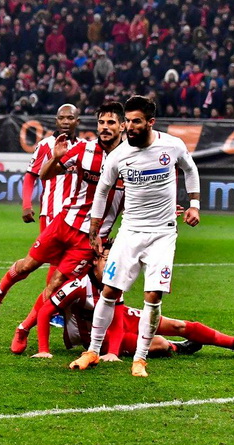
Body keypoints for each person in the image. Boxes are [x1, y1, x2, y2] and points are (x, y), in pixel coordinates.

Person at [70, 95, 201, 377]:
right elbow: (102, 191)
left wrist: (194, 204)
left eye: (136, 121)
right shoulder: (119, 155)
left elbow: (190, 169)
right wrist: (94, 229)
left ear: (150, 122)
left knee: (153, 295)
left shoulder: (172, 145)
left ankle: (140, 359)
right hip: (129, 231)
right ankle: (92, 351)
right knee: (110, 290)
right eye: (127, 121)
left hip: (162, 233)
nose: (129, 127)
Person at [0, 103, 126, 356]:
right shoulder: (84, 149)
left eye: (111, 123)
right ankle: (0, 290)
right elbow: (45, 175)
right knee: (28, 266)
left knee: (56, 283)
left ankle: (24, 328)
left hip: (90, 239)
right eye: (101, 123)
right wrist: (56, 158)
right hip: (64, 223)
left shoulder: (131, 159)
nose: (105, 128)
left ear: (122, 126)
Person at [29, 245, 234, 358]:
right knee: (160, 344)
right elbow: (45, 311)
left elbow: (118, 319)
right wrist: (43, 350)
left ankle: (231, 343)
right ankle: (176, 347)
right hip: (101, 337)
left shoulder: (115, 283)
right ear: (95, 261)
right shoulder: (78, 286)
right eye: (107, 259)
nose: (111, 265)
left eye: (114, 260)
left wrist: (113, 354)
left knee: (178, 325)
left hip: (122, 321)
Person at [20, 103, 82, 328]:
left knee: (72, 263)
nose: (65, 121)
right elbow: (31, 175)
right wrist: (26, 205)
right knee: (56, 262)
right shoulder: (46, 145)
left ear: (77, 121)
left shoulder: (84, 147)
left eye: (70, 118)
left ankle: (62, 308)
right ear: (56, 121)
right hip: (51, 212)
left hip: (76, 214)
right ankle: (53, 310)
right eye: (61, 118)